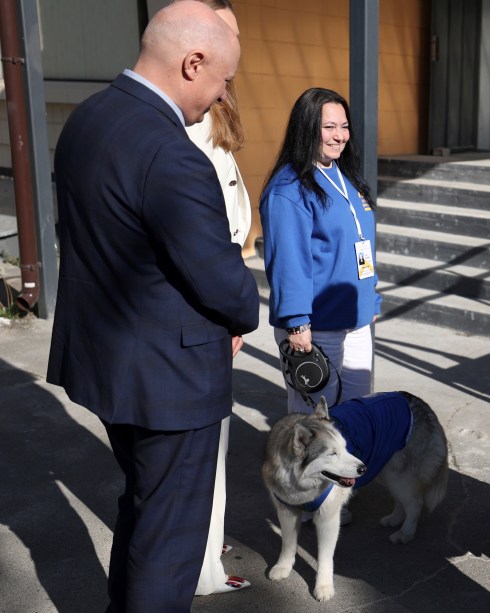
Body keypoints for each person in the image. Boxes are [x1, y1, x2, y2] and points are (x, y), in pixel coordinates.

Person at [46, 3, 259, 611]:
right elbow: (224, 285)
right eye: (223, 81)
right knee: (170, 544)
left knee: (145, 510)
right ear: (193, 63)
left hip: (112, 365)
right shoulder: (172, 154)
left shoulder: (88, 119)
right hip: (170, 382)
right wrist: (248, 304)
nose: (221, 97)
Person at [182, 0, 252, 597]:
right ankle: (201, 569)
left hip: (221, 307)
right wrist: (231, 310)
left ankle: (207, 546)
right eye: (226, 37)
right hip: (205, 312)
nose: (236, 54)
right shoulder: (182, 123)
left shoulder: (217, 114)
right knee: (202, 451)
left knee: (215, 447)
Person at [260, 87, 380, 416]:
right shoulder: (289, 189)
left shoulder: (346, 178)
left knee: (357, 418)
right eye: (329, 127)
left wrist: (372, 298)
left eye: (344, 126)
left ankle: (349, 471)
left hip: (356, 321)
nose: (339, 136)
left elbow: (361, 244)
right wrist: (297, 324)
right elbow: (289, 261)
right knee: (315, 429)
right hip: (316, 328)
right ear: (307, 127)